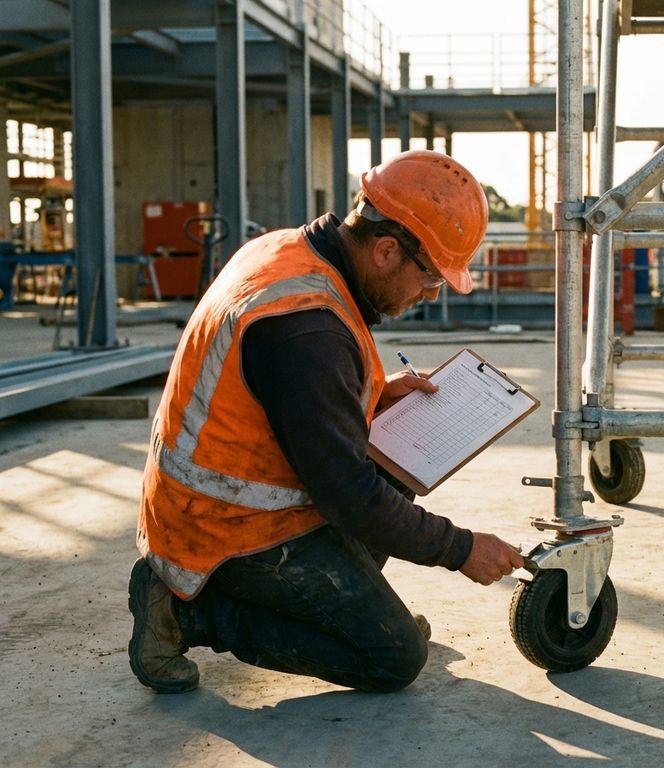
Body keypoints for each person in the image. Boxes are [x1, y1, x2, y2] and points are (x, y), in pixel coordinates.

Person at [128, 149, 525, 694]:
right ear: (386, 250)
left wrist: (374, 398)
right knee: (392, 657)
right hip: (225, 528)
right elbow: (349, 496)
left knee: (397, 465)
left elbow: (278, 397)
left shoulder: (289, 251)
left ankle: (348, 613)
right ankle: (188, 613)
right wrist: (461, 549)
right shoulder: (308, 330)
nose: (427, 296)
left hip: (224, 499)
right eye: (430, 279)